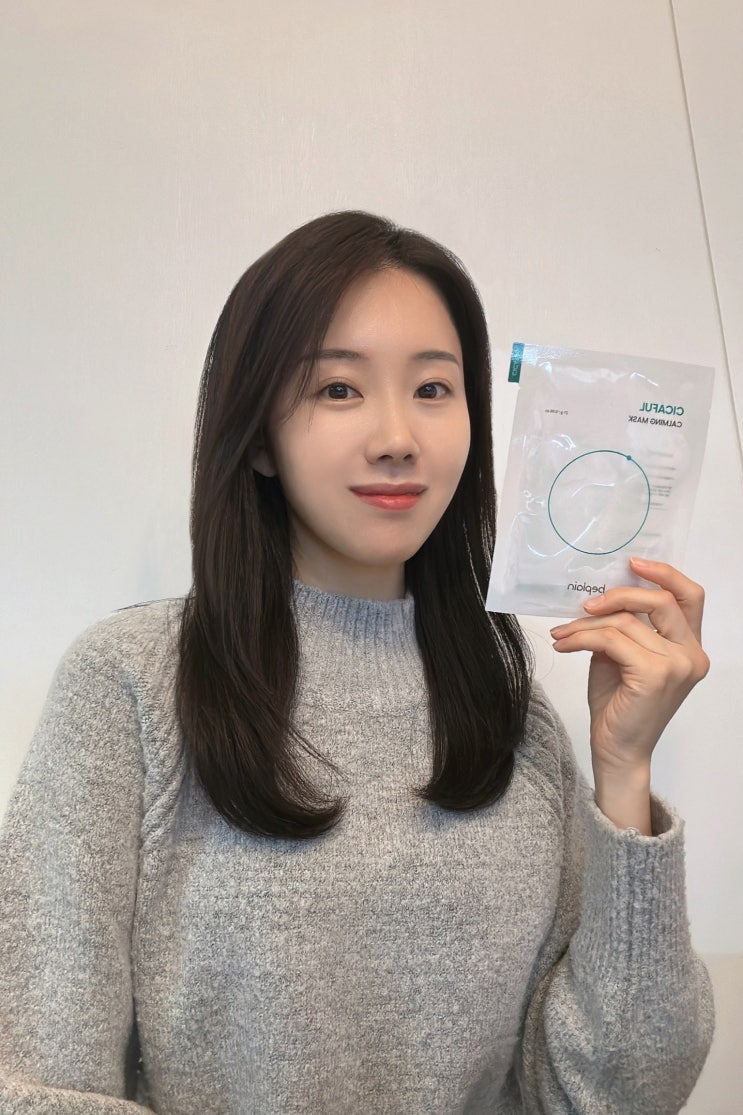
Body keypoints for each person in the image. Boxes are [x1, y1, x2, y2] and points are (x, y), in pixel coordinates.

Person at [0, 211, 714, 1113]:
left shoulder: (510, 716)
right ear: (259, 437)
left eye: (432, 388)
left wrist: (625, 770)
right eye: (338, 388)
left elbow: (613, 1093)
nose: (397, 436)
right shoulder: (130, 685)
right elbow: (35, 1081)